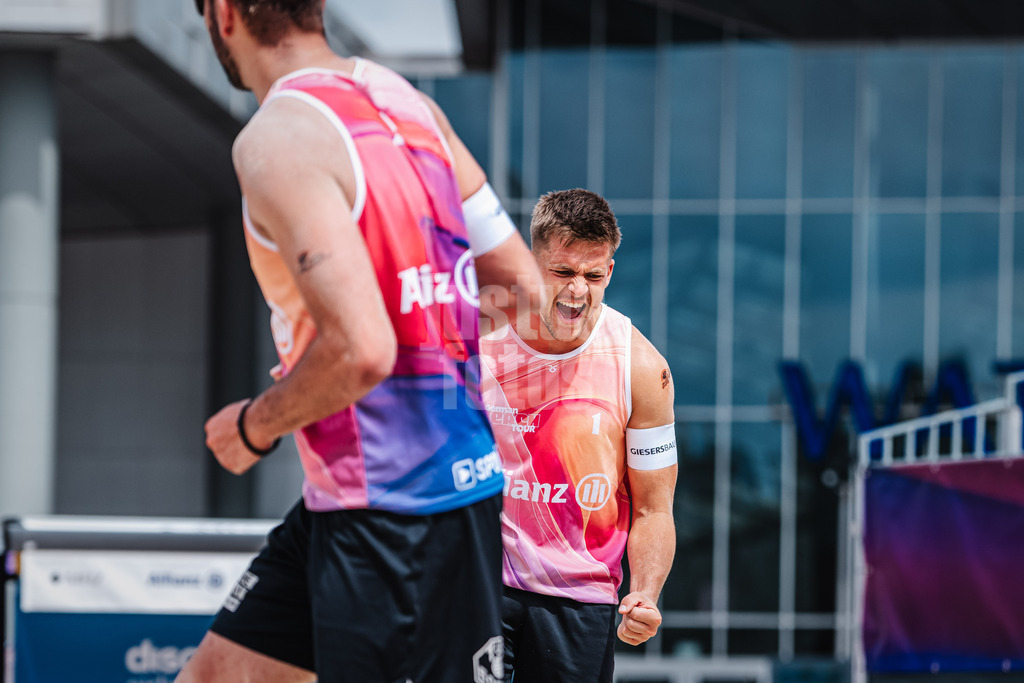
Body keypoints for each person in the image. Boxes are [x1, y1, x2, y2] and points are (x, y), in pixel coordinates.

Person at [177, 1, 539, 681]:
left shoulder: (276, 137)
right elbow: (523, 289)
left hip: (397, 516)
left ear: (224, 13)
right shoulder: (410, 106)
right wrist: (427, 330)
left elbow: (360, 350)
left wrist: (253, 426)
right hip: (367, 494)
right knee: (216, 673)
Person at [480, 189, 678, 683]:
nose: (577, 292)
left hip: (579, 601)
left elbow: (655, 508)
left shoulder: (641, 369)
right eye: (563, 272)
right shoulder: (477, 340)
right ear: (532, 264)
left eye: (593, 275)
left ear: (609, 272)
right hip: (480, 584)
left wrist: (646, 594)